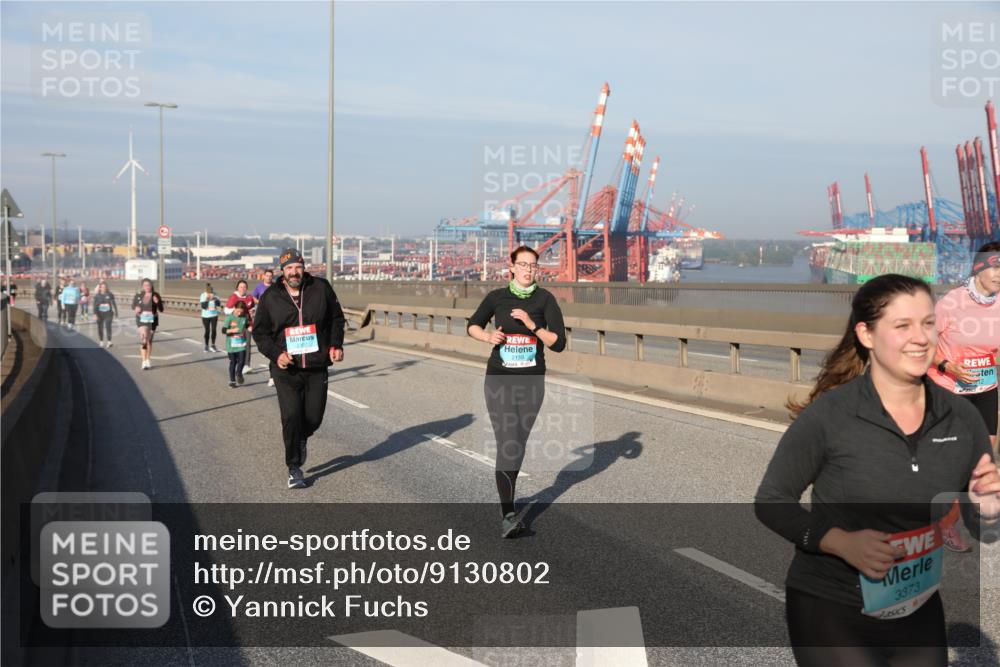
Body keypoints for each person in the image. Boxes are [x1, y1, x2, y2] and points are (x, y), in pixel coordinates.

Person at [755, 274, 1000, 666]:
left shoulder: (962, 417)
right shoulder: (831, 416)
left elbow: (978, 525)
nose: (921, 338)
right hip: (831, 606)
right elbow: (771, 501)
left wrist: (988, 510)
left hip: (917, 608)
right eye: (902, 326)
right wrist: (839, 542)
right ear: (866, 335)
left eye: (927, 322)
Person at [467, 245, 566, 537]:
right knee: (508, 442)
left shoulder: (545, 299)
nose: (527, 270)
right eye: (522, 264)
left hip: (532, 382)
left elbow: (558, 343)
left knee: (518, 444)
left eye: (533, 265)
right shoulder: (497, 297)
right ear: (511, 267)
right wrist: (487, 336)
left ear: (537, 270)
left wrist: (533, 325)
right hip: (499, 379)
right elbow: (472, 325)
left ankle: (507, 500)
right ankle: (508, 514)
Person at [927, 241, 1000, 553]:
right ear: (979, 268)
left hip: (985, 390)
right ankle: (943, 524)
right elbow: (921, 344)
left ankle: (970, 518)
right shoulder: (950, 303)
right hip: (948, 388)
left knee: (983, 461)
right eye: (996, 267)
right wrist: (948, 365)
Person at [252, 249, 345, 489]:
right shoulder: (271, 297)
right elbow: (260, 333)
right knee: (291, 416)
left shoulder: (320, 288)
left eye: (298, 267)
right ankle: (294, 467)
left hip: (316, 365)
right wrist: (276, 354)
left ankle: (302, 438)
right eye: (289, 268)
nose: (294, 272)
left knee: (313, 417)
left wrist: (335, 344)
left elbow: (336, 317)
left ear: (304, 268)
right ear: (282, 272)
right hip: (286, 368)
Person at [131, 278, 164, 370]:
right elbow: (133, 306)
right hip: (141, 319)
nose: (147, 287)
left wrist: (157, 303)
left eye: (148, 285)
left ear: (151, 286)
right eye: (145, 285)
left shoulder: (156, 295)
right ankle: (143, 361)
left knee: (149, 341)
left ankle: (147, 359)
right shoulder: (139, 295)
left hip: (152, 320)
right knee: (144, 338)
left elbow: (161, 309)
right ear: (142, 286)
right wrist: (136, 307)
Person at [226, 280, 256, 376]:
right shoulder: (233, 297)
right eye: (241, 287)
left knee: (247, 344)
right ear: (237, 288)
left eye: (244, 287)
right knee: (237, 345)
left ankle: (246, 365)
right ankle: (237, 362)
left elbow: (253, 308)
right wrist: (236, 310)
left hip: (247, 323)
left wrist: (252, 311)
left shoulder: (249, 297)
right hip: (235, 325)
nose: (243, 288)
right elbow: (226, 310)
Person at [252, 269, 276, 386]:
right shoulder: (259, 287)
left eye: (271, 276)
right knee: (262, 333)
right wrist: (260, 303)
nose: (269, 278)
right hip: (262, 314)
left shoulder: (275, 286)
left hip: (273, 315)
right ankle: (263, 347)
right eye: (267, 276)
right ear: (263, 277)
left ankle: (273, 377)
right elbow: (253, 297)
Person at [222, 300, 250, 387]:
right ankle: (232, 381)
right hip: (231, 345)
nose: (239, 313)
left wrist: (250, 328)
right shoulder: (229, 318)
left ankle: (239, 373)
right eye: (238, 311)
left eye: (241, 312)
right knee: (233, 362)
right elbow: (223, 330)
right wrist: (232, 330)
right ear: (234, 308)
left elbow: (247, 325)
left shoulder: (244, 317)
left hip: (241, 344)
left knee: (242, 361)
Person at [91, 281, 118, 348]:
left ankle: (109, 341)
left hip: (108, 313)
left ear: (106, 288)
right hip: (99, 314)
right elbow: (95, 306)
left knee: (108, 326)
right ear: (100, 288)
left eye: (105, 287)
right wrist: (94, 314)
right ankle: (101, 341)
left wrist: (116, 312)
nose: (104, 288)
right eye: (102, 287)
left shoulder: (110, 294)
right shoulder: (97, 296)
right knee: (100, 327)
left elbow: (114, 304)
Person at [199, 284, 222, 353]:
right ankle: (206, 346)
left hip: (214, 315)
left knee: (214, 330)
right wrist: (207, 299)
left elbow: (218, 304)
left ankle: (213, 345)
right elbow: (203, 307)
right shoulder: (203, 295)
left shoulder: (215, 294)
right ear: (206, 291)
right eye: (209, 292)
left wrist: (215, 299)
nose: (210, 293)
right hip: (205, 316)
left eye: (211, 292)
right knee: (207, 331)